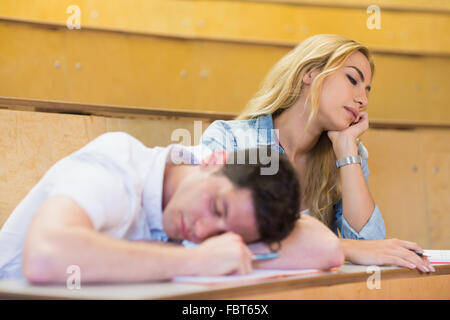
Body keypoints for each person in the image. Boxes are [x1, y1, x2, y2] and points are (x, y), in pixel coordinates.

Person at [200, 34, 435, 273]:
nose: (363, 99)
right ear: (310, 73)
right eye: (353, 79)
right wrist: (343, 247)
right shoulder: (228, 139)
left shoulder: (347, 152)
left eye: (367, 90)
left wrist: (346, 151)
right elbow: (214, 236)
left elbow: (369, 245)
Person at [0, 131, 343, 284]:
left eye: (224, 233)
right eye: (217, 208)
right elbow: (45, 257)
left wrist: (228, 248)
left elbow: (324, 247)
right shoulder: (116, 165)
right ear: (213, 160)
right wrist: (197, 260)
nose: (205, 231)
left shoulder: (207, 184)